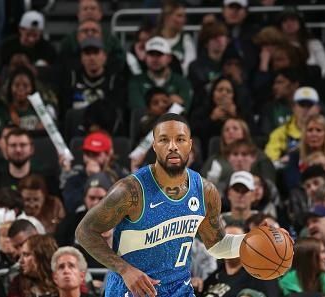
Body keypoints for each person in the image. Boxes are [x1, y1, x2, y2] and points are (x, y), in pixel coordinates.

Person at [75, 113, 291, 296]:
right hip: (131, 290)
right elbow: (85, 231)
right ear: (154, 145)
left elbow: (217, 245)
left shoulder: (205, 191)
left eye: (180, 139)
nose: (172, 147)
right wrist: (125, 270)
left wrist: (257, 239)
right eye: (164, 140)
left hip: (179, 290)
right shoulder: (131, 190)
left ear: (190, 144)